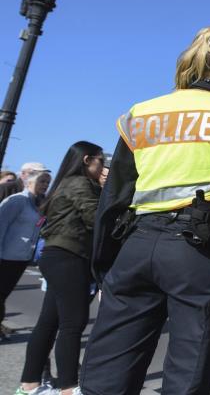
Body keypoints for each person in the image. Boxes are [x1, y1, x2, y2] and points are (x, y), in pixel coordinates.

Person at [79, 27, 210, 395]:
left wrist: (104, 266)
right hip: (197, 250)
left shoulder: (140, 114)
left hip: (135, 245)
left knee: (109, 368)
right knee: (190, 370)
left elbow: (115, 196)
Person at [17, 143, 103, 395]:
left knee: (49, 322)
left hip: (57, 255)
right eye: (100, 160)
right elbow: (95, 218)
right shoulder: (79, 183)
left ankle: (30, 385)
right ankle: (68, 387)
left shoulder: (66, 182)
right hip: (69, 256)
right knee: (72, 323)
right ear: (87, 160)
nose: (103, 166)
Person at [0, 170, 51, 340]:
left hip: (21, 257)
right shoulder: (17, 201)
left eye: (47, 182)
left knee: (4, 293)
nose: (45, 185)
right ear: (29, 181)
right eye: (42, 181)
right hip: (6, 255)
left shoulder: (39, 203)